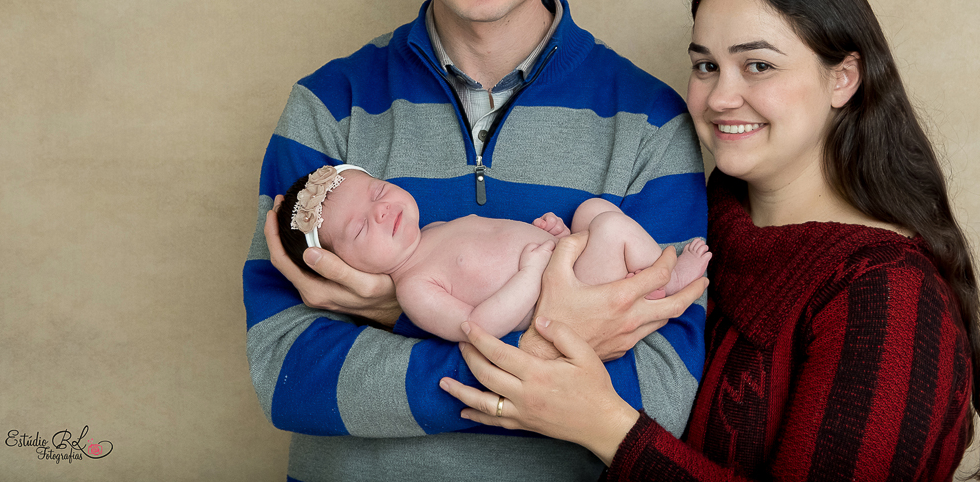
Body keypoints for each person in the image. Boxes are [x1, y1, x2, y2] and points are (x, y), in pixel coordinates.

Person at [242, 0, 710, 482]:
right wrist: (553, 349)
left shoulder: (650, 122)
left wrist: (393, 314)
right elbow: (288, 372)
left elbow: (660, 395)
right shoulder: (326, 110)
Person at [441, 0, 980, 480]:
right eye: (706, 65)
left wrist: (605, 425)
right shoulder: (696, 219)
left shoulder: (886, 293)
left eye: (758, 65)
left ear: (842, 78)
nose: (719, 98)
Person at [276, 164, 711, 342]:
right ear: (338, 268)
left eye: (378, 191)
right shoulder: (413, 288)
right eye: (358, 228)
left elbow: (503, 240)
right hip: (567, 301)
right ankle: (663, 279)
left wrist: (556, 238)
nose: (382, 210)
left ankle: (652, 275)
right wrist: (533, 267)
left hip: (568, 265)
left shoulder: (435, 231)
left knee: (591, 210)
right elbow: (478, 327)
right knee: (611, 225)